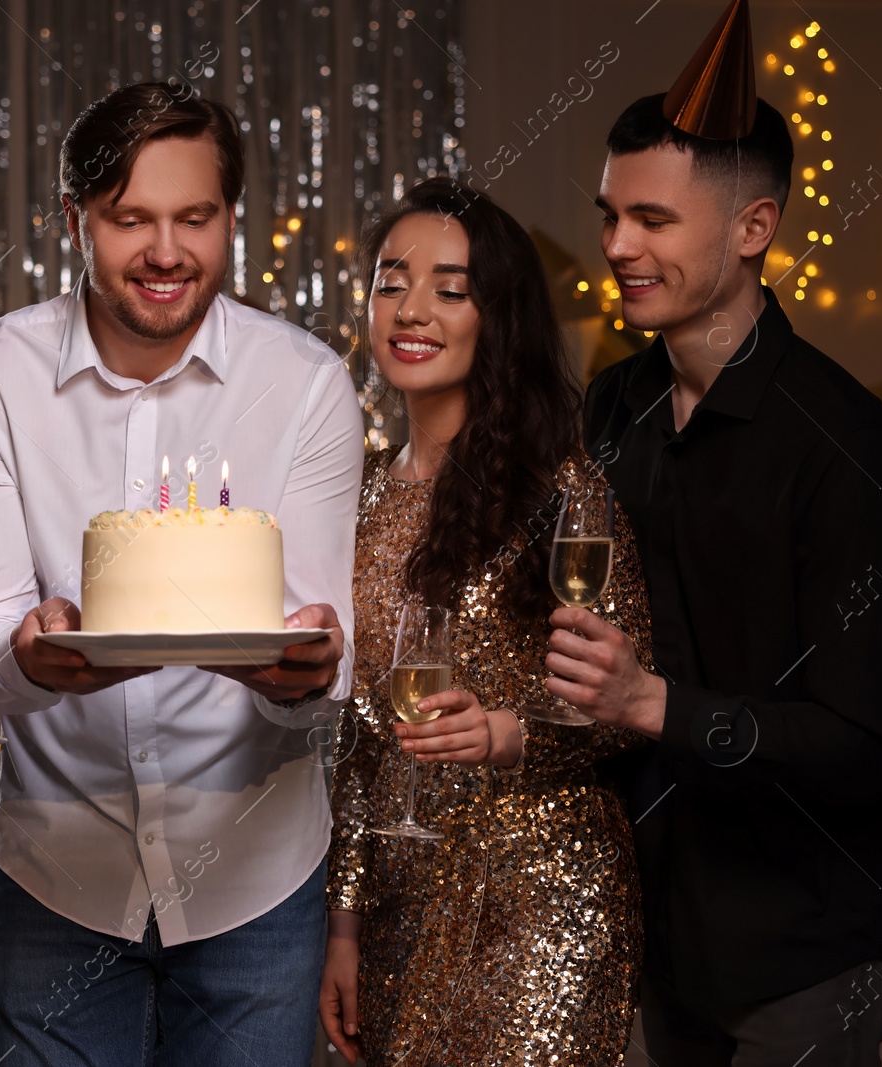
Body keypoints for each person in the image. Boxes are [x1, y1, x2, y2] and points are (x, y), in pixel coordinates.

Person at [0, 82, 363, 1065]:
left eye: (194, 218)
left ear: (230, 220)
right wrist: (33, 657)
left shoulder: (304, 386)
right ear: (73, 218)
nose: (166, 252)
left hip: (256, 875)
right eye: (129, 219)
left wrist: (307, 669)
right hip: (59, 866)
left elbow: (320, 642)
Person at [555, 5, 882, 1062]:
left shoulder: (855, 446)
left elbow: (855, 747)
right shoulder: (613, 405)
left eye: (654, 221)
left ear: (752, 228)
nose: (617, 245)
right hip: (661, 931)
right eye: (609, 215)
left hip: (801, 950)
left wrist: (650, 703)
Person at [316, 177, 650, 1065]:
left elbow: (624, 704)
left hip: (537, 895)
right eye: (392, 281)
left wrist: (507, 731)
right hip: (398, 898)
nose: (412, 309)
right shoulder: (356, 497)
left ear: (495, 315)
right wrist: (342, 923)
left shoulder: (559, 489)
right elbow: (355, 739)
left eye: (450, 289)